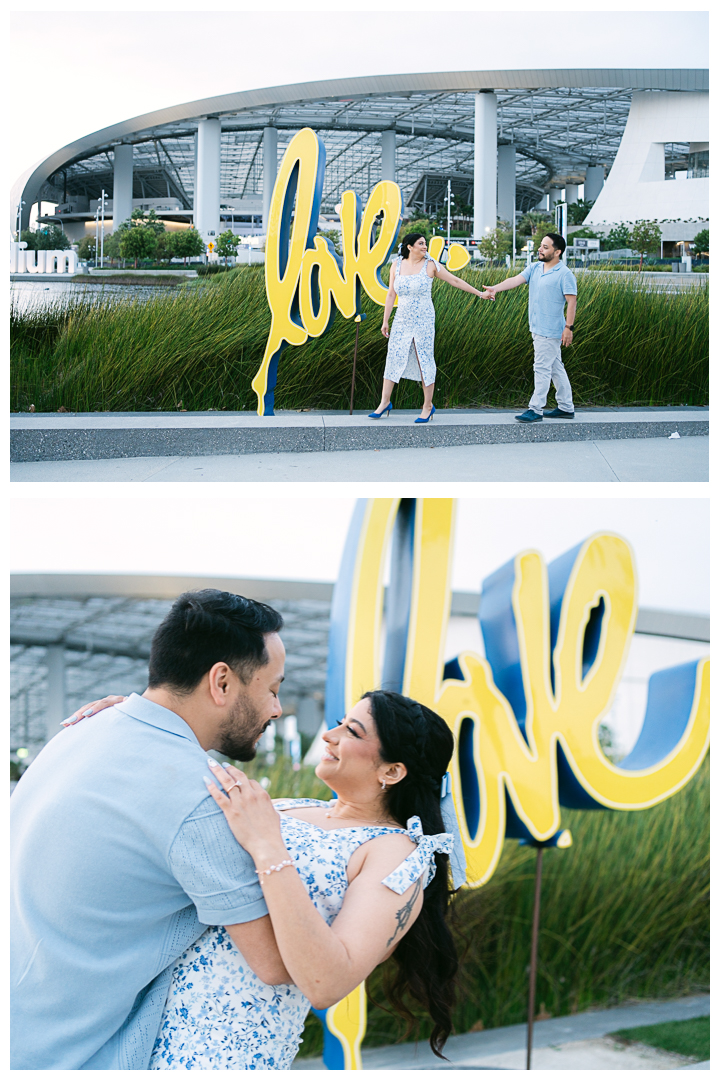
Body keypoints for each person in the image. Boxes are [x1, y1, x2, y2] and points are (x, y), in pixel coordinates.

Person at [53, 689, 462, 1069]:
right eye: (339, 722)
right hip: (145, 1019)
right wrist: (143, 724)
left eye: (351, 731)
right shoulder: (289, 807)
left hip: (226, 1051)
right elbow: (187, 802)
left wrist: (268, 847)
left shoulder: (396, 853)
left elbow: (327, 982)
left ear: (392, 771)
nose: (330, 735)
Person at [11, 589, 287, 1069]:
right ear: (221, 681)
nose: (277, 709)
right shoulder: (201, 796)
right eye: (273, 688)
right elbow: (278, 964)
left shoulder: (81, 731)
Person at [370, 232, 494, 423]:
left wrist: (480, 294)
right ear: (409, 247)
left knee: (424, 359)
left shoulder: (431, 265)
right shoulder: (397, 265)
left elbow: (455, 280)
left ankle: (427, 406)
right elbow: (391, 295)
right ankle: (384, 402)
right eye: (420, 243)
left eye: (425, 243)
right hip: (402, 319)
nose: (425, 246)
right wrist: (385, 321)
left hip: (424, 319)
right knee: (394, 356)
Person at [485, 232, 577, 423]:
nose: (540, 249)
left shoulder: (564, 274)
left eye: (545, 247)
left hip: (550, 330)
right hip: (536, 327)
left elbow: (572, 302)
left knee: (542, 367)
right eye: (541, 245)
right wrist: (495, 288)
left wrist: (569, 327)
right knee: (554, 367)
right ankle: (566, 407)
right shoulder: (535, 268)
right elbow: (515, 280)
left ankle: (535, 409)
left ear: (557, 252)